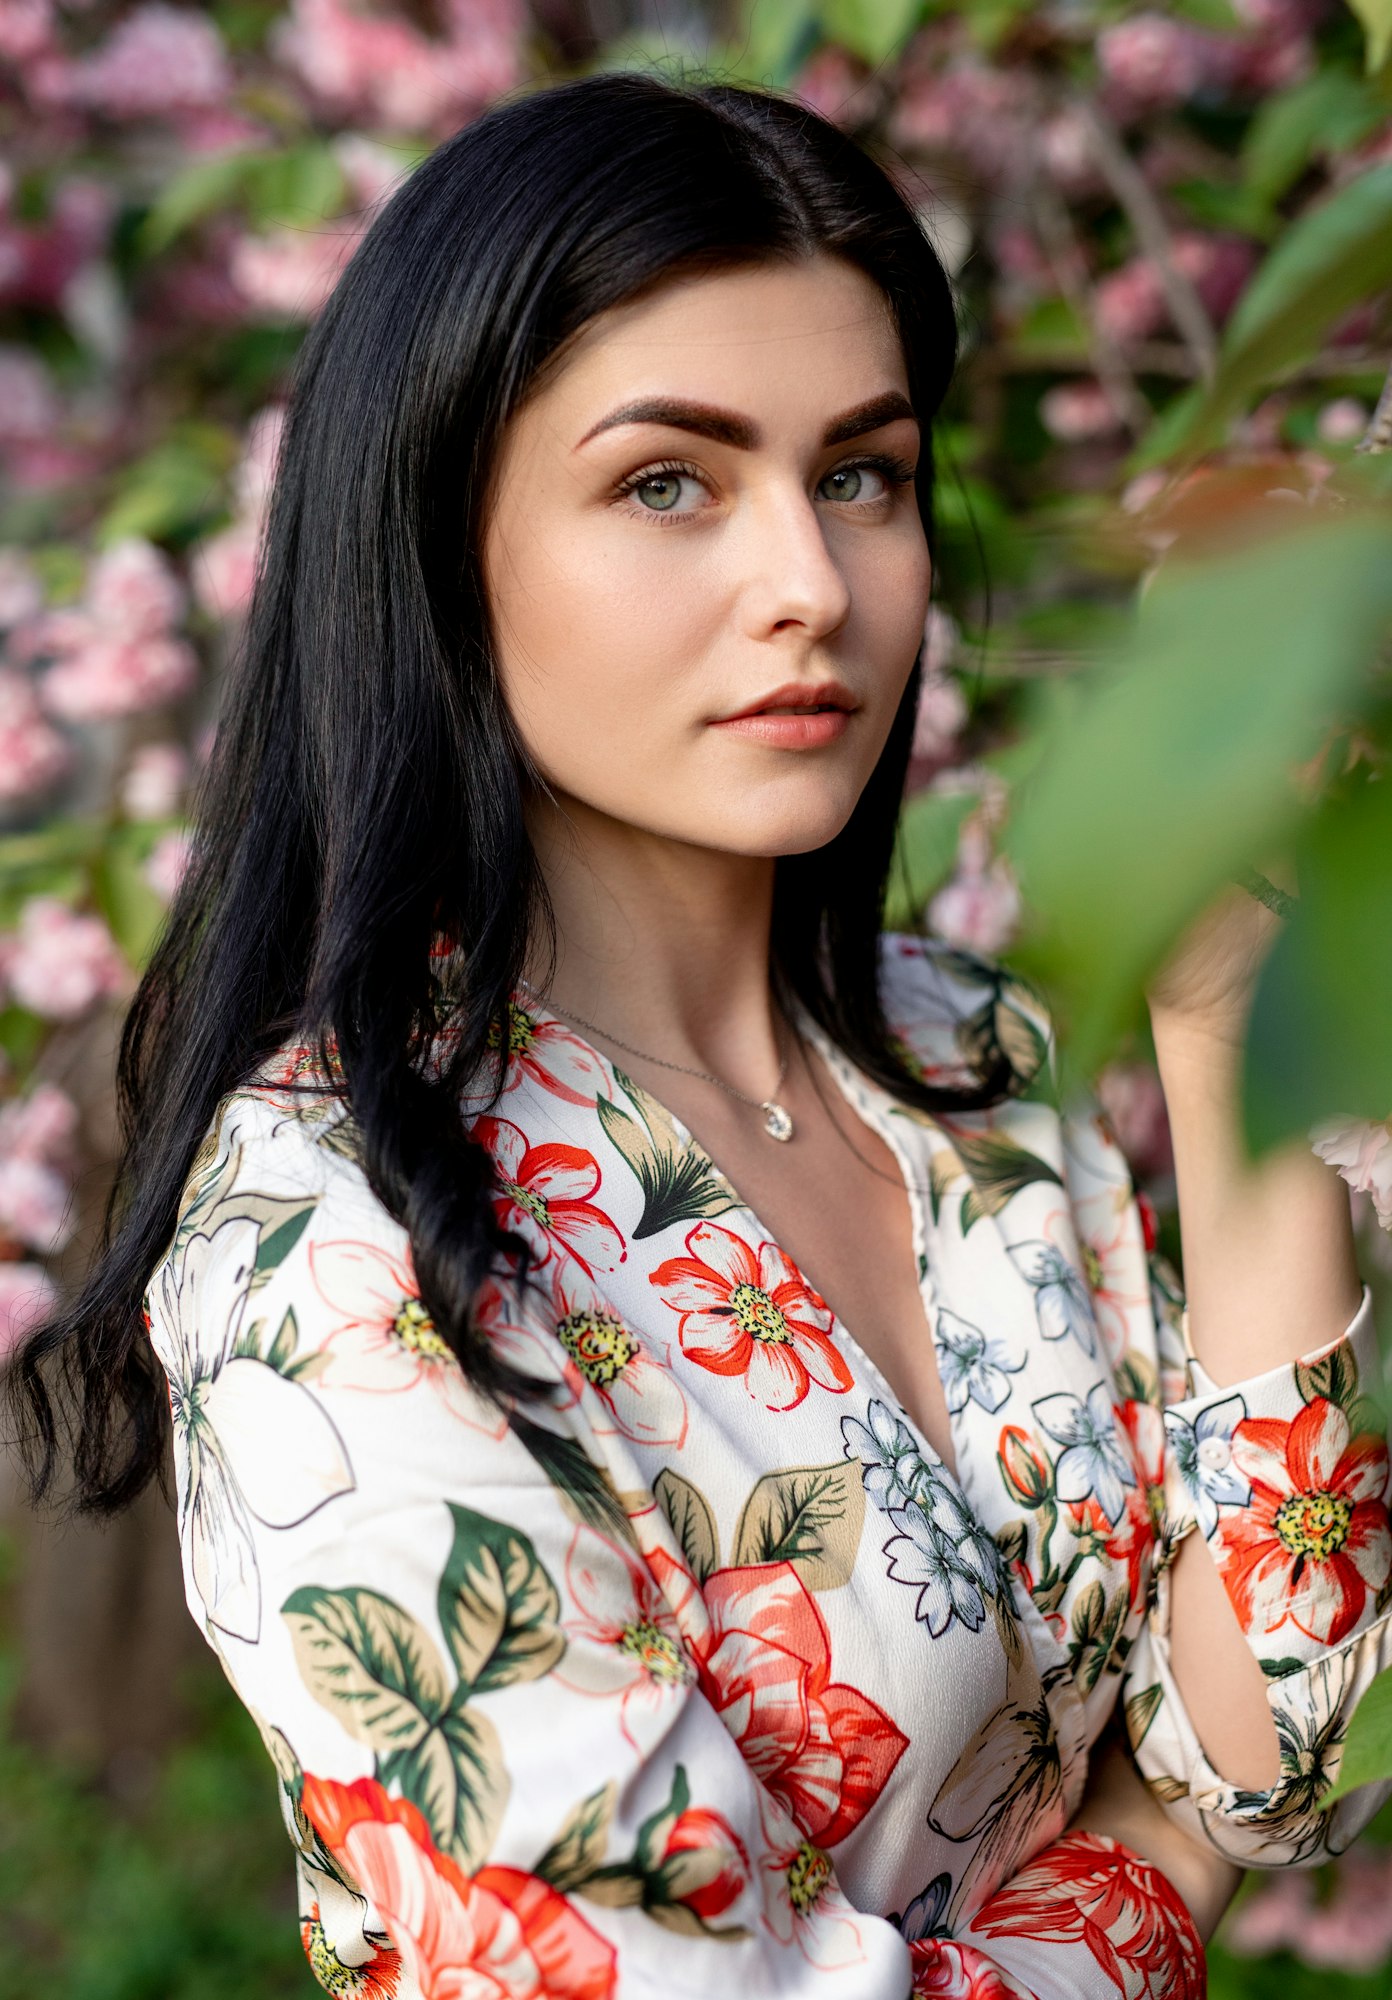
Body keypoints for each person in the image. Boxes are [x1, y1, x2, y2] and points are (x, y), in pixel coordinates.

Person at [11, 69, 1392, 2000]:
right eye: (669, 480)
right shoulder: (323, 1235)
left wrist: (1233, 1030)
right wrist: (1150, 1863)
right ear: (437, 541)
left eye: (863, 474)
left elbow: (1286, 1751)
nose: (812, 587)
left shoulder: (969, 1064)